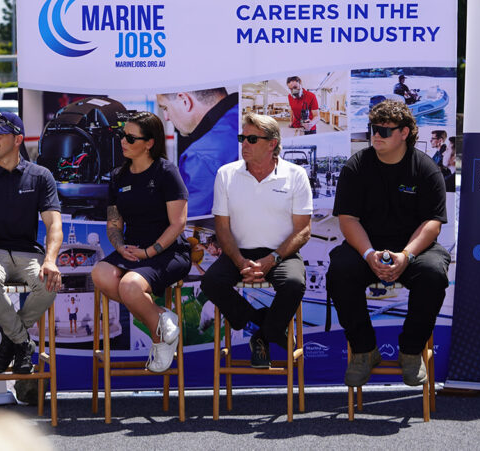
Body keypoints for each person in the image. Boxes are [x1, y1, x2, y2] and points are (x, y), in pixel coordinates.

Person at [327, 100, 450, 388]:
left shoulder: (426, 169)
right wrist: (369, 253)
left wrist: (406, 255)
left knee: (433, 274)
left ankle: (411, 351)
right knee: (339, 272)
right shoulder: (356, 167)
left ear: (404, 133)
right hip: (367, 246)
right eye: (373, 128)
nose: (376, 135)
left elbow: (432, 223)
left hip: (414, 248)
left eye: (384, 130)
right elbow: (348, 220)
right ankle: (364, 351)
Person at [201, 113, 313, 368]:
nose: (244, 144)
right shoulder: (226, 174)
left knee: (294, 284)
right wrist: (240, 261)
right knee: (211, 282)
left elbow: (303, 230)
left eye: (252, 139)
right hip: (238, 252)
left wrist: (272, 259)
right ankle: (264, 324)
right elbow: (222, 228)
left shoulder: (295, 175)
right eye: (242, 138)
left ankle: (264, 333)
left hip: (281, 253)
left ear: (272, 144)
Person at [0, 112, 63, 374]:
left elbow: (54, 224)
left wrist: (51, 260)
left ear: (18, 140)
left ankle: (10, 342)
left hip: (29, 253)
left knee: (49, 283)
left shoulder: (41, 176)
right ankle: (23, 342)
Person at [91, 111, 191, 372]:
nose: (123, 141)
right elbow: (114, 224)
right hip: (133, 250)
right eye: (122, 135)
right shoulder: (118, 176)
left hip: (168, 251)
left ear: (149, 143)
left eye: (131, 138)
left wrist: (149, 252)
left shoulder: (166, 172)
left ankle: (160, 342)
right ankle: (162, 317)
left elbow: (178, 223)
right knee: (100, 273)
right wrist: (120, 246)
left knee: (130, 286)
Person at [155, 88, 238, 219]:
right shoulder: (243, 115)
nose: (166, 117)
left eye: (165, 108)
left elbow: (188, 223)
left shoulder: (202, 156)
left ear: (185, 101)